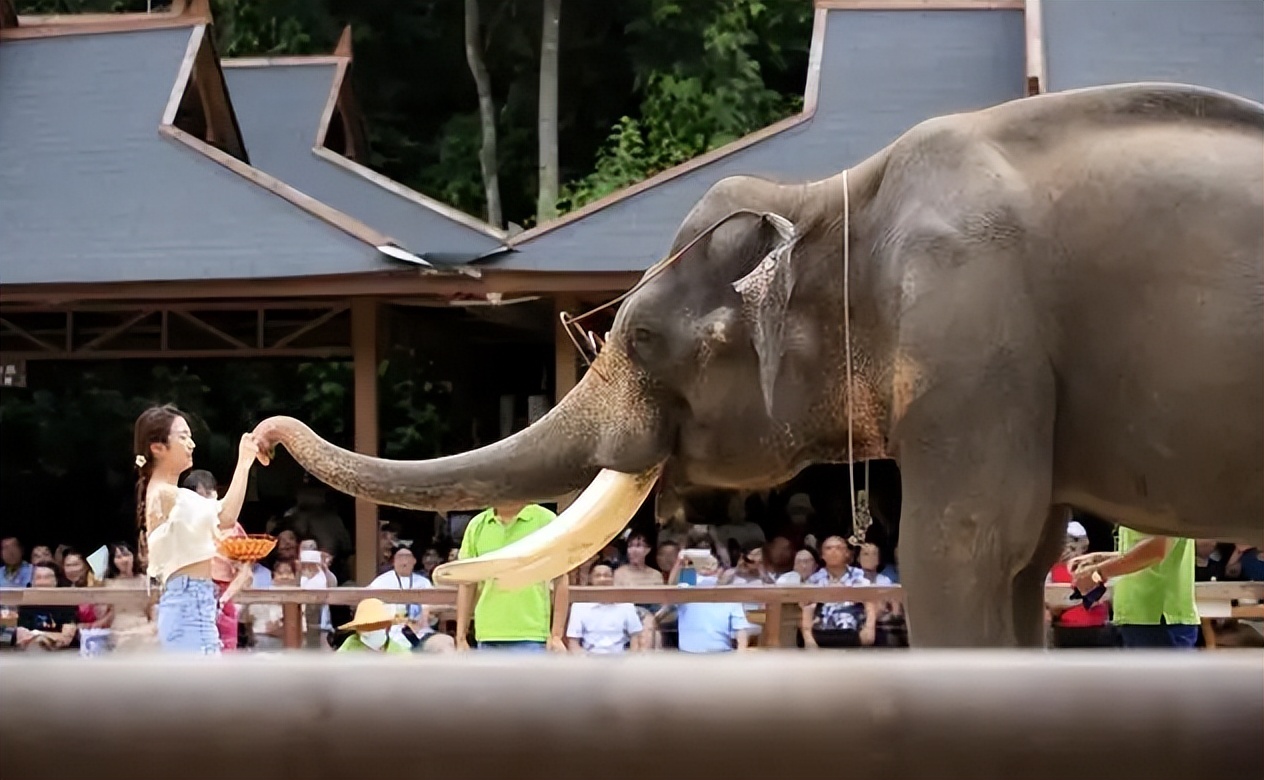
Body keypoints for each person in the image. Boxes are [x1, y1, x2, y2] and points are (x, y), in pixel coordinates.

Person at [135, 405, 258, 654]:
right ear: (157, 448)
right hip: (188, 602)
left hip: (191, 600)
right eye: (182, 437)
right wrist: (244, 461)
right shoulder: (165, 493)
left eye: (190, 436)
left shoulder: (166, 492)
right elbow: (226, 516)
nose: (191, 444)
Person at [456, 502, 563, 652]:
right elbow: (467, 581)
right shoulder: (477, 525)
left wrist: (557, 634)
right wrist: (460, 636)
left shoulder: (545, 520)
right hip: (487, 634)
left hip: (533, 634)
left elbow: (561, 576)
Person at [1071, 527, 1199, 649]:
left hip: (1158, 619)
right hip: (1138, 617)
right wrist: (1099, 559)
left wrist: (1098, 573)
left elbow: (1156, 549)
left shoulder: (1164, 505)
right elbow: (1143, 552)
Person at [565, 563, 643, 654]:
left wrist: (630, 660)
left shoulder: (626, 605)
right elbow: (573, 642)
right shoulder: (579, 606)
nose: (602, 579)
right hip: (589, 657)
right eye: (598, 576)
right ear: (590, 579)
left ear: (613, 579)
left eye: (607, 575)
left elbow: (636, 637)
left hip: (620, 658)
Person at [336, 598, 411, 654]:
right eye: (365, 627)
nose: (369, 631)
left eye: (376, 626)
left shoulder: (400, 653)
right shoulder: (350, 645)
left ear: (388, 627)